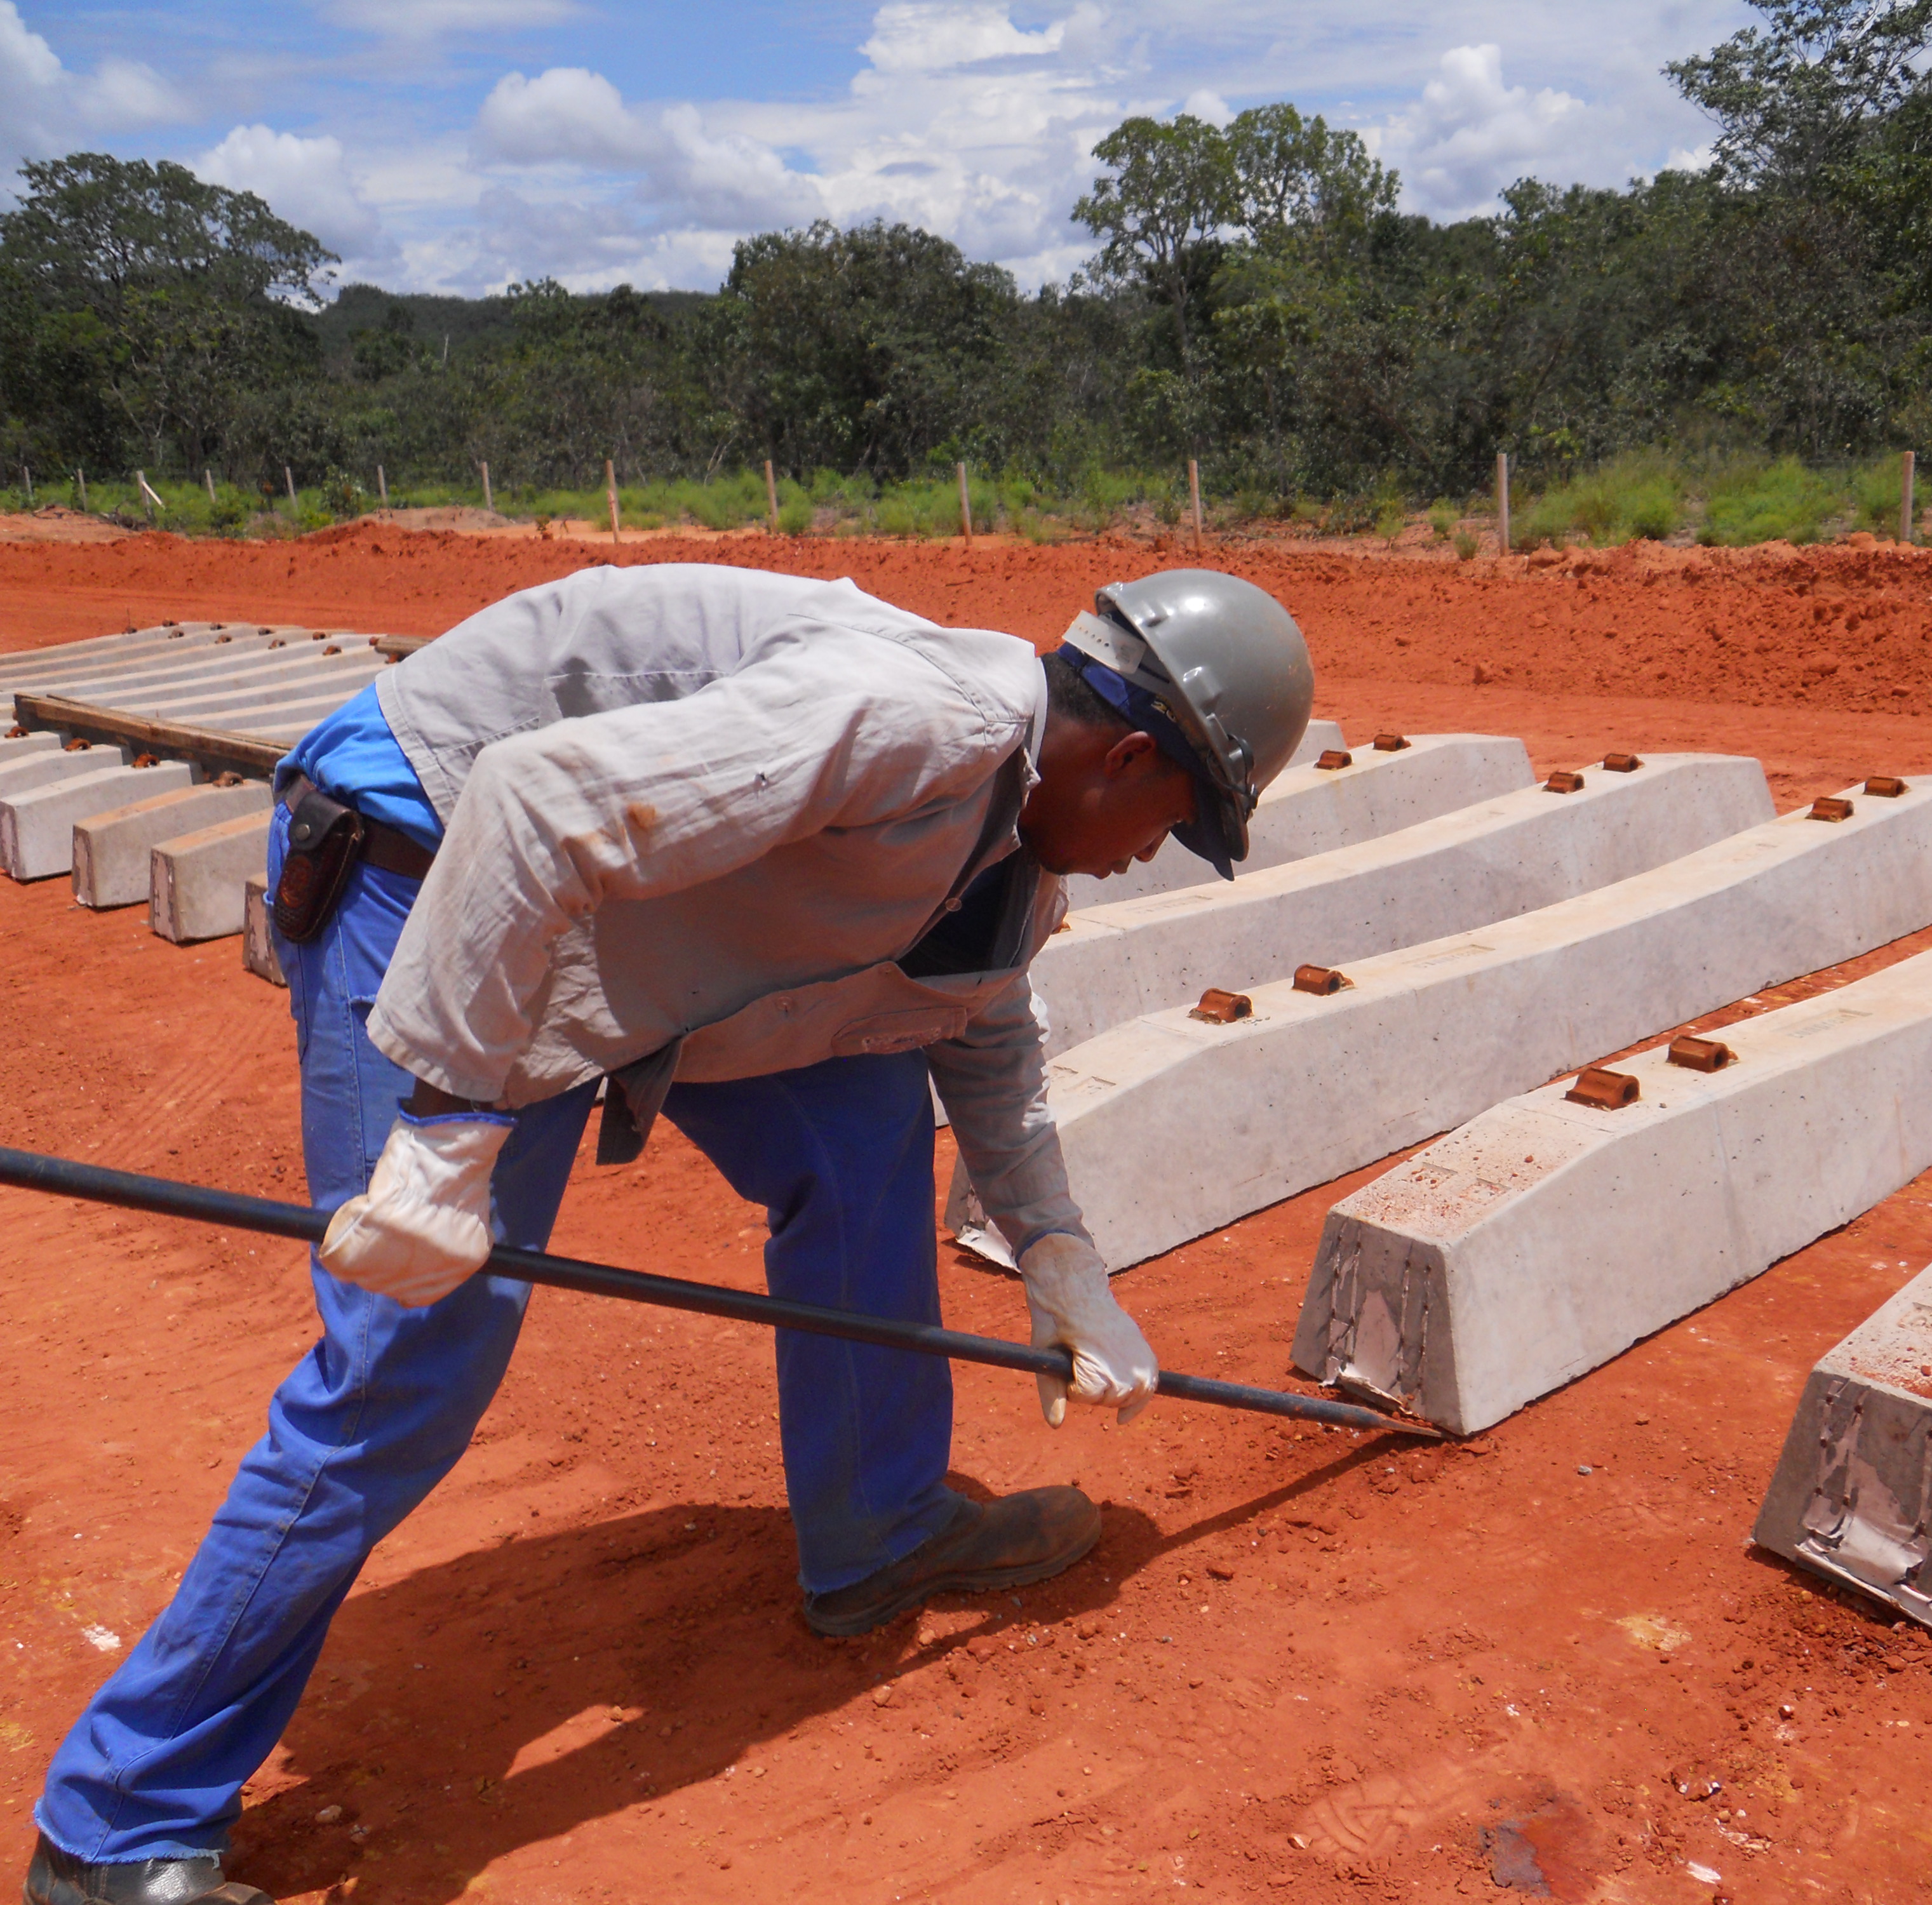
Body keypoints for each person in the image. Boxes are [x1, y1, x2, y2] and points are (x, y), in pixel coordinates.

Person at [22, 562, 1315, 1905]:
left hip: (610, 899)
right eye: (1169, 824)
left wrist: (1060, 1259)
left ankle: (880, 1530)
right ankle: (118, 1827)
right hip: (430, 855)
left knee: (866, 1121)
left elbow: (981, 1023)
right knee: (412, 1349)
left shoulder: (1005, 839)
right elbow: (533, 804)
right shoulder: (916, 718)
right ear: (1123, 754)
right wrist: (452, 1126)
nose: (1142, 859)